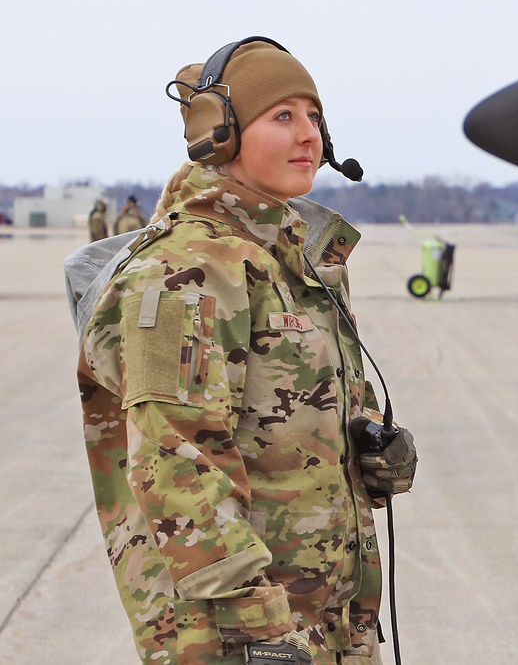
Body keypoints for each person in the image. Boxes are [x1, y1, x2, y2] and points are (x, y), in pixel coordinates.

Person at [73, 37, 416, 665]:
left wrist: (366, 448)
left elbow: (284, 423)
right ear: (220, 134)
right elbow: (178, 462)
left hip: (322, 616)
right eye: (282, 116)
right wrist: (257, 629)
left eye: (314, 116)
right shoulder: (188, 272)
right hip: (242, 631)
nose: (309, 135)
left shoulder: (291, 263)